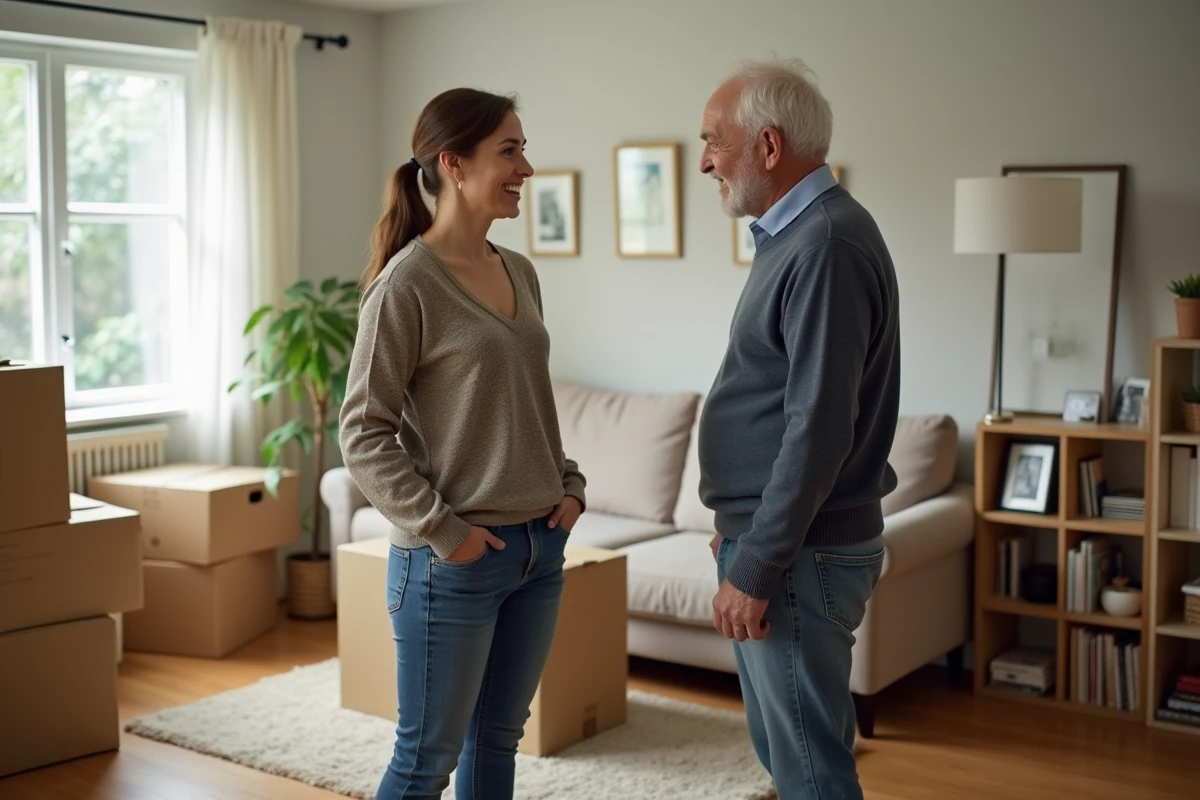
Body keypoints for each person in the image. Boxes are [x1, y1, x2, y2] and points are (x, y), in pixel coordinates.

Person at [339, 87, 586, 800]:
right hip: (455, 563)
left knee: (498, 743)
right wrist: (445, 532)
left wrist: (567, 484)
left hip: (539, 550)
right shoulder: (406, 285)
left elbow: (524, 401)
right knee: (425, 762)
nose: (526, 167)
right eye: (510, 150)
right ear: (454, 163)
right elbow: (362, 430)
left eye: (522, 149)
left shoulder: (520, 271)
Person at [696, 59, 900, 800]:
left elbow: (818, 428)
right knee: (794, 758)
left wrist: (758, 562)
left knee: (810, 772)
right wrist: (740, 525)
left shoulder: (824, 244)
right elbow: (783, 403)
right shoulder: (801, 235)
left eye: (716, 141)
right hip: (781, 542)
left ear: (770, 146)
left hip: (798, 556)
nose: (705, 160)